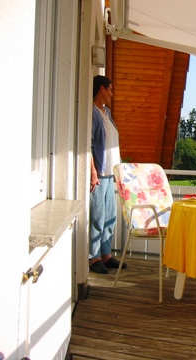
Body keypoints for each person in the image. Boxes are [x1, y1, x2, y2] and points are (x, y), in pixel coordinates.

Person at [89, 75, 126, 274]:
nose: (112, 93)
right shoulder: (92, 113)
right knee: (97, 217)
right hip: (99, 174)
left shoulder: (107, 112)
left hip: (110, 174)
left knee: (110, 216)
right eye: (110, 89)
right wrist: (93, 171)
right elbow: (89, 145)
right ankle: (93, 258)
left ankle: (106, 254)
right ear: (101, 89)